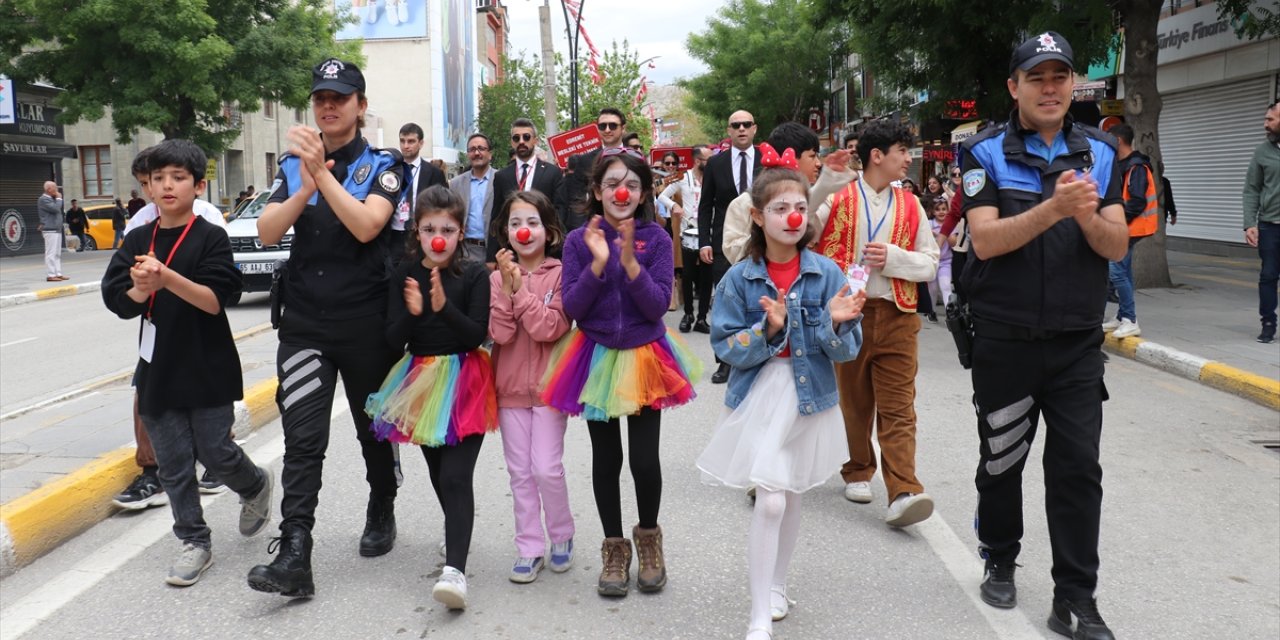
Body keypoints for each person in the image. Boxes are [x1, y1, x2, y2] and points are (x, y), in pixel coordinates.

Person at [960, 32, 1127, 639]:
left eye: (1060, 76)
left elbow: (1115, 246)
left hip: (1078, 343)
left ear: (1072, 83)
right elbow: (985, 240)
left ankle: (1076, 599)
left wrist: (1084, 212)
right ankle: (1000, 556)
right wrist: (1053, 209)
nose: (1051, 87)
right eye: (1038, 77)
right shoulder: (982, 154)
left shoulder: (1102, 153)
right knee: (1002, 461)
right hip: (1004, 340)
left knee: (1079, 468)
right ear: (1015, 87)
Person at [246, 58, 405, 598]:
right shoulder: (293, 164)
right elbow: (267, 232)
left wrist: (322, 176)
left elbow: (366, 226)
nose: (329, 106)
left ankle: (382, 500)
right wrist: (305, 179)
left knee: (372, 431)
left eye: (340, 97)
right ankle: (295, 551)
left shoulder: (385, 165)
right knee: (303, 438)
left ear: (360, 106)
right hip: (305, 323)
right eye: (320, 98)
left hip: (366, 323)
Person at [698, 168, 865, 640]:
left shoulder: (827, 271)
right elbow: (726, 344)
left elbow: (848, 350)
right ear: (757, 215)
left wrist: (832, 323)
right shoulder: (740, 278)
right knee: (770, 501)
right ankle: (756, 616)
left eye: (799, 208)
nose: (792, 218)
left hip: (810, 396)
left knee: (789, 495)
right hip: (763, 396)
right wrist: (769, 330)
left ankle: (776, 584)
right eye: (779, 209)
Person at [100, 139, 273, 587]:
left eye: (178, 177)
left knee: (216, 451)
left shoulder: (210, 235)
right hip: (158, 367)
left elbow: (216, 300)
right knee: (173, 463)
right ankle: (194, 540)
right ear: (149, 187)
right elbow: (119, 300)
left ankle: (253, 484)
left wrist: (164, 277)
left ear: (198, 185)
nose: (167, 185)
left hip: (207, 362)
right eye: (158, 178)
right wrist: (139, 288)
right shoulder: (138, 237)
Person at [541, 148, 702, 597]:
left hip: (645, 356)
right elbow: (572, 307)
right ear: (596, 191)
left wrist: (630, 262)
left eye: (629, 184)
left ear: (644, 192)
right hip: (593, 358)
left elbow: (656, 307)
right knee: (606, 459)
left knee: (644, 460)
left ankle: (649, 540)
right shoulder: (577, 240)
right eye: (611, 184)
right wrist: (596, 262)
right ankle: (614, 548)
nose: (621, 191)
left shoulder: (655, 238)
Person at [365, 185, 495, 610]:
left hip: (466, 379)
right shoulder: (403, 272)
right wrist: (414, 313)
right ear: (416, 232)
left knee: (457, 476)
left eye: (448, 228)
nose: (438, 236)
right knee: (442, 476)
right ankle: (455, 536)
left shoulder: (475, 273)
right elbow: (390, 339)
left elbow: (477, 334)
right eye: (428, 228)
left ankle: (454, 571)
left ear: (460, 232)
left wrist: (442, 307)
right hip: (419, 383)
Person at [811, 119, 939, 526]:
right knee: (854, 401)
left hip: (899, 315)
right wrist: (823, 183)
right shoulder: (840, 196)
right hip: (850, 313)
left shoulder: (912, 204)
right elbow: (806, 229)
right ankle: (857, 467)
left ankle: (904, 489)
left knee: (900, 408)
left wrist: (895, 258)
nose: (909, 159)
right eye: (903, 151)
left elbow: (931, 263)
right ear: (878, 156)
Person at [487, 191, 575, 585]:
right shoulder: (494, 277)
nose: (524, 231)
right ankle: (528, 546)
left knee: (546, 468)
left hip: (550, 388)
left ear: (549, 230)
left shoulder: (561, 274)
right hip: (508, 391)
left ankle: (561, 534)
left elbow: (549, 328)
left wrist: (520, 290)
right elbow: (501, 335)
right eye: (515, 224)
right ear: (505, 232)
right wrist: (506, 288)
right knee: (519, 472)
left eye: (532, 223)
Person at [721, 123, 857, 265]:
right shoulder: (743, 203)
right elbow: (733, 252)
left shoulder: (825, 198)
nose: (818, 163)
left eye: (801, 208)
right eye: (812, 156)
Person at [700, 110, 763, 384]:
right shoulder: (715, 163)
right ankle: (725, 361)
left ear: (754, 129)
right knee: (727, 298)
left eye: (746, 124)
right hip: (725, 241)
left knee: (757, 295)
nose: (741, 129)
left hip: (763, 239)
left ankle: (758, 352)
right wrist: (704, 241)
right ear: (728, 130)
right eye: (735, 125)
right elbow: (706, 206)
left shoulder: (767, 160)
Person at [1100, 124, 1156, 339]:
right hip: (1129, 227)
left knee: (1115, 271)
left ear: (1118, 140)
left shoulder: (1136, 166)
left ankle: (1130, 319)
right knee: (1123, 272)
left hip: (1132, 227)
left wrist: (1118, 223)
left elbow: (1138, 201)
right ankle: (1123, 315)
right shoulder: (1125, 164)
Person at [489, 118, 565, 263]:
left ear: (535, 141)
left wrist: (555, 244)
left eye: (526, 137)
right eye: (516, 138)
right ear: (512, 142)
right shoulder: (502, 176)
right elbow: (496, 217)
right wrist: (491, 256)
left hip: (546, 250)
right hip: (511, 251)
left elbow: (559, 211)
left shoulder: (552, 173)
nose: (521, 141)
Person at [661, 145, 711, 333]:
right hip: (688, 232)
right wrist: (675, 205)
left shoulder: (713, 177)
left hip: (708, 233)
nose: (712, 162)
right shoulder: (683, 177)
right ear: (698, 161)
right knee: (688, 275)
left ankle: (702, 317)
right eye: (708, 159)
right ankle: (688, 313)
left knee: (706, 278)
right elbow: (663, 196)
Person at [1243, 99, 1280, 344]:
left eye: (1270, 119)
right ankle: (1268, 322)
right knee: (1268, 275)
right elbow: (1252, 189)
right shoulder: (1262, 152)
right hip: (1270, 225)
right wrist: (1250, 223)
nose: (1265, 124)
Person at [561, 108, 629, 231]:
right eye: (602, 126)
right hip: (596, 231)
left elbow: (646, 201)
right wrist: (581, 233)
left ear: (623, 128)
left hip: (629, 229)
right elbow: (577, 200)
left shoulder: (636, 158)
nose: (607, 130)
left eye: (613, 126)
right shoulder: (585, 161)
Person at [392, 122, 448, 264]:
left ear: (421, 143)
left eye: (411, 141)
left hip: (421, 235)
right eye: (402, 141)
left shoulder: (434, 173)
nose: (406, 145)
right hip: (394, 236)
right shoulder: (390, 169)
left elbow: (444, 204)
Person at [449, 133, 497, 264]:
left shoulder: (501, 179)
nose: (476, 153)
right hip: (464, 251)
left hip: (492, 251)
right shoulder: (455, 184)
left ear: (490, 153)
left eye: (481, 148)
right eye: (472, 149)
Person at [37, 181, 66, 282]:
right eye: (55, 188)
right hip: (50, 229)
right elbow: (55, 209)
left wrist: (57, 199)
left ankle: (58, 273)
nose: (57, 190)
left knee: (57, 253)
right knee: (51, 253)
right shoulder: (43, 199)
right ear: (48, 189)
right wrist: (58, 198)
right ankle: (51, 274)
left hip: (56, 229)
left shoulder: (51, 199)